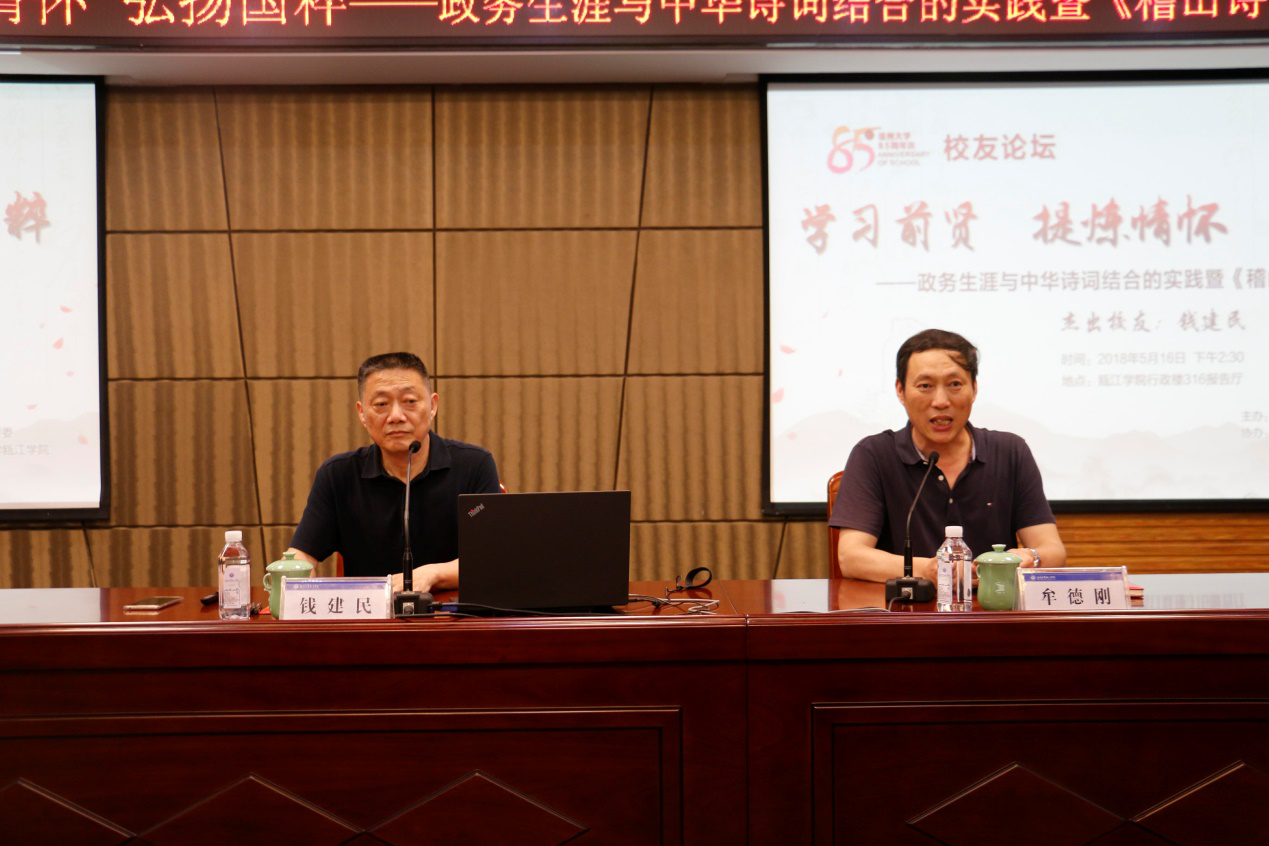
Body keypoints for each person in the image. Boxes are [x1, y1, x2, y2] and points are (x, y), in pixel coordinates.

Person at [830, 328, 1066, 583]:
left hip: (991, 604)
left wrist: (1031, 557)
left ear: (974, 389)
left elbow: (1053, 551)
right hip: (905, 606)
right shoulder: (874, 455)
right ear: (900, 391)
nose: (941, 401)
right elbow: (851, 557)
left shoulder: (1010, 452)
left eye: (955, 384)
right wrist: (928, 570)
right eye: (925, 386)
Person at [286, 352, 500, 594]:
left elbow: (491, 556)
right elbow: (301, 555)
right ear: (362, 413)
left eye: (410, 401)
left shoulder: (474, 465)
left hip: (453, 612)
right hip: (370, 615)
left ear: (433, 406)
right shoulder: (338, 475)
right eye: (381, 404)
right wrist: (295, 578)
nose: (396, 416)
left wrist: (432, 574)